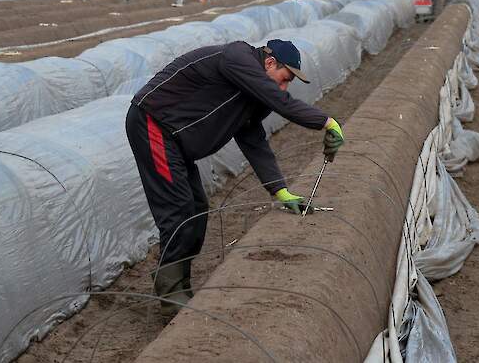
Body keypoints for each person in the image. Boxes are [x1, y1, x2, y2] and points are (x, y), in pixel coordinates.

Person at [126, 38, 345, 318]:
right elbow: (281, 101)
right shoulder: (236, 58)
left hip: (176, 141)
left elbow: (253, 138)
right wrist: (326, 122)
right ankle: (171, 296)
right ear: (269, 63)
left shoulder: (252, 92)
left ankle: (179, 285)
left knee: (196, 209)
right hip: (152, 123)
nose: (284, 86)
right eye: (285, 78)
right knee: (179, 210)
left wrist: (279, 190)